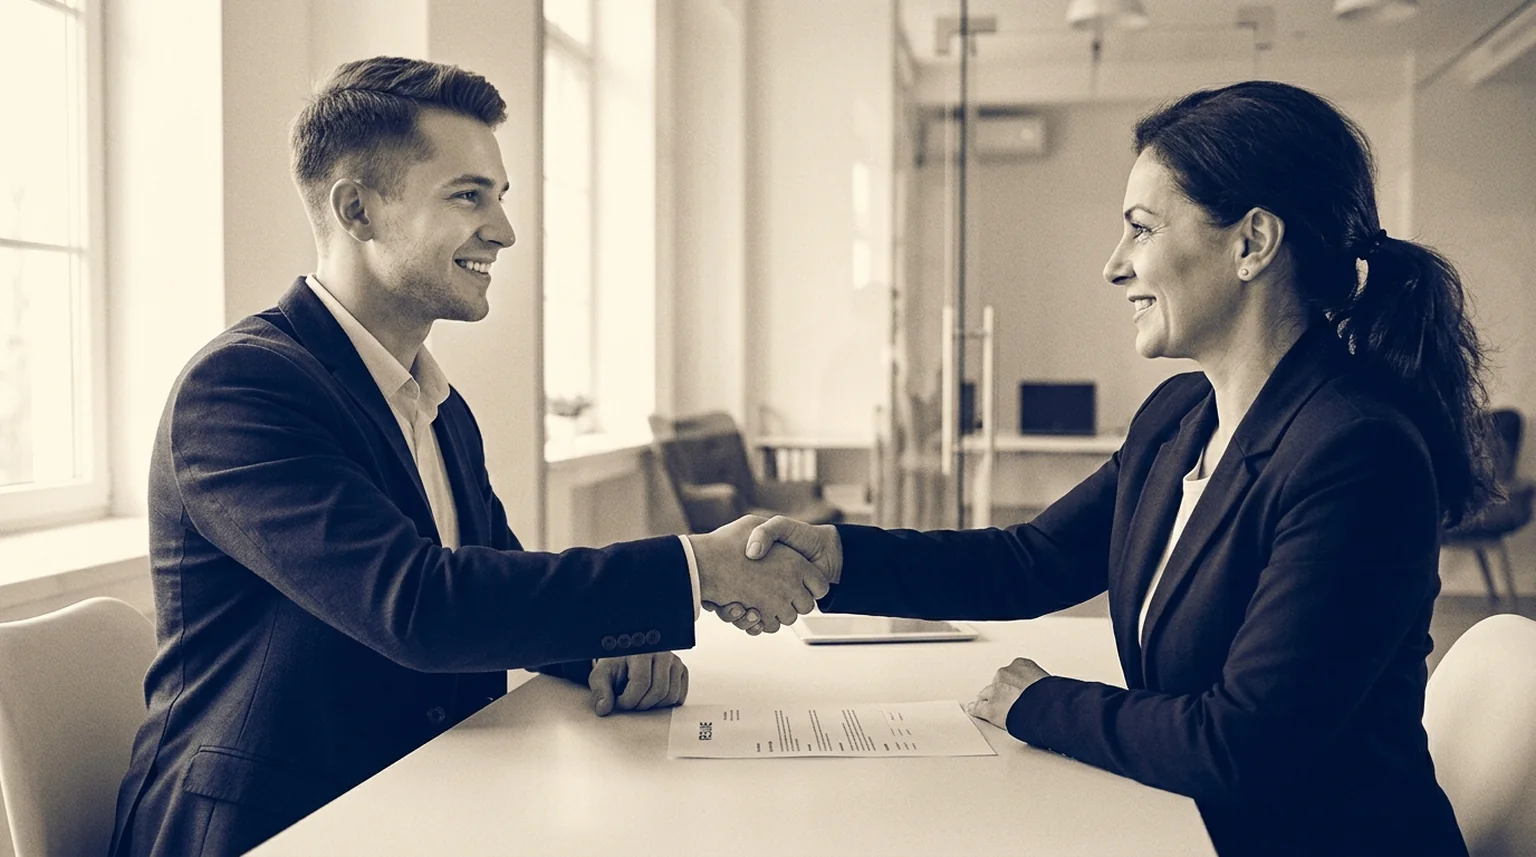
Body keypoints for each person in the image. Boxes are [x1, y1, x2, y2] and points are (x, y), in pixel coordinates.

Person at [726, 81, 1489, 857]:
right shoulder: (1178, 418)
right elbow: (1032, 560)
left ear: (1252, 242)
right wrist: (839, 558)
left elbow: (1240, 743)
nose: (1113, 266)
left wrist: (1040, 702)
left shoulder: (1358, 453)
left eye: (1140, 230)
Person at [109, 56, 825, 857]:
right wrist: (696, 568)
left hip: (421, 799)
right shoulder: (241, 389)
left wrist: (608, 643)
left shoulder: (436, 403)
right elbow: (418, 606)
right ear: (358, 209)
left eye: (501, 196)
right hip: (274, 827)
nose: (504, 230)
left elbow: (493, 582)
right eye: (467, 196)